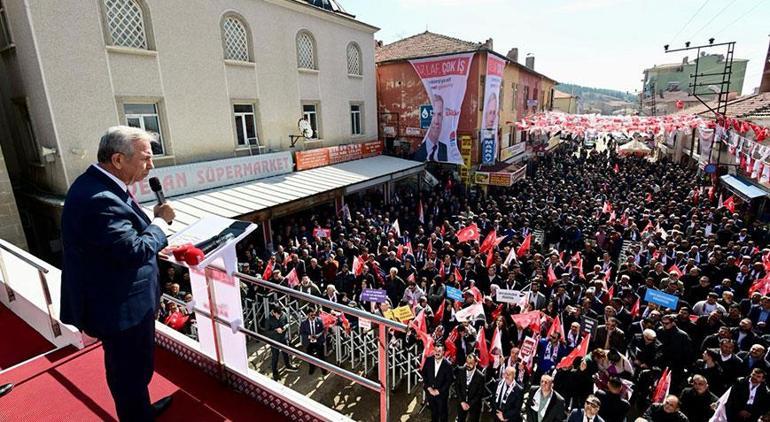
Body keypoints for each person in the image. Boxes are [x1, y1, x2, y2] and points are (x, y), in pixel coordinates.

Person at [60, 126, 175, 421]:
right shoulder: (99, 197)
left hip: (120, 302)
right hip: (120, 308)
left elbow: (117, 240)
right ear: (118, 159)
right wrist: (160, 224)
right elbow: (132, 250)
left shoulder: (101, 184)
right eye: (146, 158)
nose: (151, 166)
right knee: (130, 372)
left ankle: (140, 410)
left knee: (132, 372)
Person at [421, 343, 453, 422]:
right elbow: (424, 374)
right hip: (430, 393)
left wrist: (438, 391)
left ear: (443, 352)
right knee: (433, 412)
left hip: (441, 395)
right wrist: (429, 387)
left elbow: (449, 381)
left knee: (443, 413)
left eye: (439, 351)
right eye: (435, 350)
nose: (437, 352)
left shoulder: (448, 365)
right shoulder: (428, 360)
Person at [265, 306, 298, 381]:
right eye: (277, 315)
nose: (279, 316)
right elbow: (267, 332)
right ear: (273, 312)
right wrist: (276, 330)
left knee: (286, 353)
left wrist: (284, 328)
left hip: (283, 338)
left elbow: (288, 323)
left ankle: (288, 365)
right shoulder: (268, 319)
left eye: (280, 314)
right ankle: (275, 372)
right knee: (275, 357)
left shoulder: (284, 314)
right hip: (274, 341)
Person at [413, 95, 448, 162]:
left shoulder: (445, 148)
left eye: (439, 114)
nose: (436, 121)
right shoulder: (420, 151)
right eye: (433, 114)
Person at [454, 354, 485, 422]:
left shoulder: (480, 376)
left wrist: (469, 404)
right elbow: (457, 387)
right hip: (461, 403)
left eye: (471, 363)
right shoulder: (460, 370)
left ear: (476, 363)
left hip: (474, 405)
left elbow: (480, 393)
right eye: (467, 362)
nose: (468, 365)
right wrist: (462, 402)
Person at [299, 308, 327, 375]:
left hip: (318, 341)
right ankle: (312, 367)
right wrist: (309, 336)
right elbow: (301, 332)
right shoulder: (304, 323)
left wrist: (318, 335)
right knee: (310, 357)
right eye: (311, 315)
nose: (313, 316)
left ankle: (323, 369)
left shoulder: (319, 320)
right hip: (309, 343)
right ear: (308, 315)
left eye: (314, 315)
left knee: (321, 356)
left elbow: (323, 330)